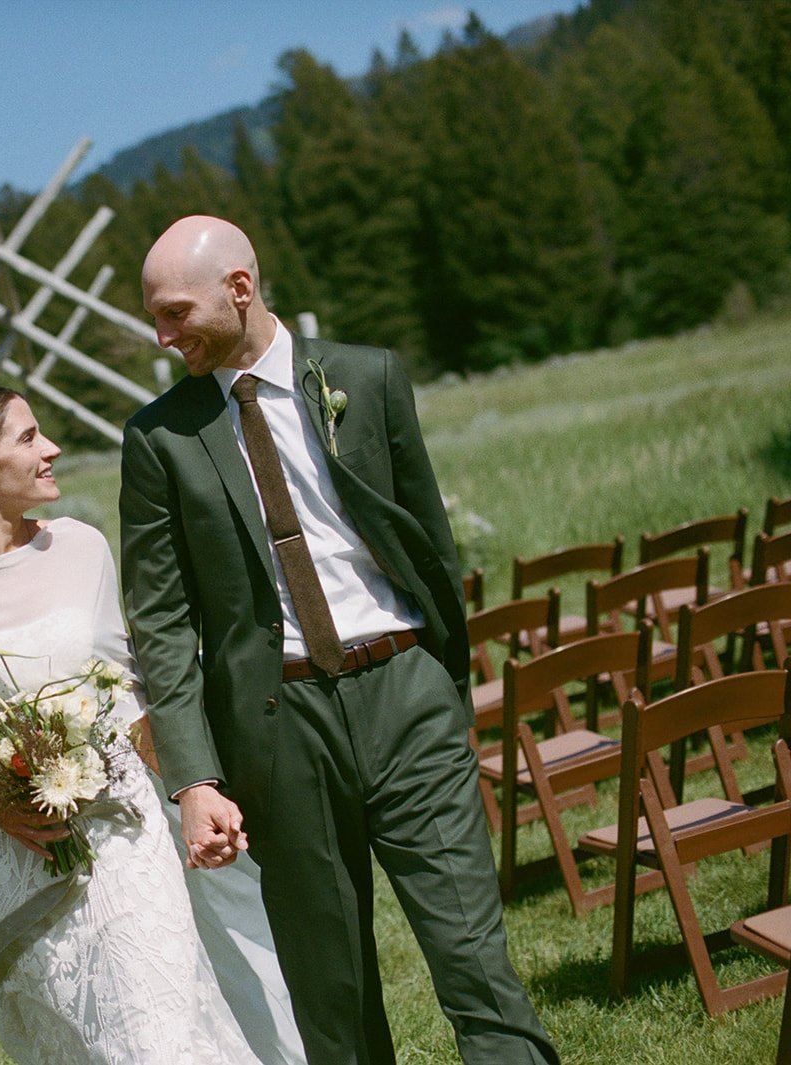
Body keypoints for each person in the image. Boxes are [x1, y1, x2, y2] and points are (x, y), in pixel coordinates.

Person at [121, 215, 559, 1065]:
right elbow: (162, 622)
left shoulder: (368, 377)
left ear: (240, 289)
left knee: (476, 961)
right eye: (156, 317)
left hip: (406, 696)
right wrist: (194, 778)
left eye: (175, 313)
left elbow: (428, 544)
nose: (163, 336)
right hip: (279, 730)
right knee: (334, 998)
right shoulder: (158, 438)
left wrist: (442, 684)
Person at [0, 386, 304, 1065]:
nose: (52, 449)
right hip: (20, 851)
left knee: (157, 1035)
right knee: (86, 1041)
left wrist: (194, 790)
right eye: (28, 438)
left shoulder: (80, 547)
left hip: (125, 830)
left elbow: (127, 689)